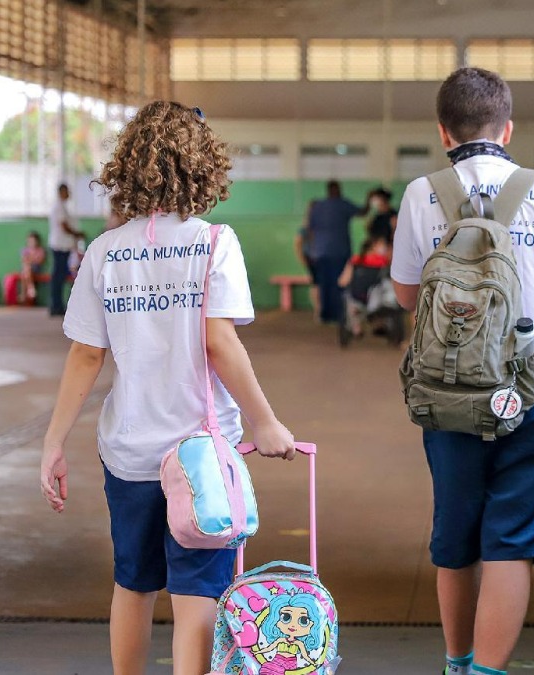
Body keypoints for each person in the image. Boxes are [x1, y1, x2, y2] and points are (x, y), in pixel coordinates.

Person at [38, 101, 297, 675]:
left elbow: (85, 354)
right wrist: (266, 421)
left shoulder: (105, 251)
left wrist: (53, 442)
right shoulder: (214, 243)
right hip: (201, 453)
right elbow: (219, 343)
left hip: (128, 451)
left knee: (132, 581)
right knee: (198, 591)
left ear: (129, 164)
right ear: (203, 165)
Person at [391, 67, 534, 675]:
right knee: (510, 544)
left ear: (443, 132)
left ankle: (456, 662)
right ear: (507, 128)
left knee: (455, 541)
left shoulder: (421, 193)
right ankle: (487, 673)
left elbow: (407, 295)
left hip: (448, 391)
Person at [306, 181, 370, 323]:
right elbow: (363, 211)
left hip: (320, 252)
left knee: (324, 285)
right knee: (340, 284)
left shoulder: (318, 207)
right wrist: (369, 198)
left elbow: (310, 229)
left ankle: (325, 315)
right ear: (337, 190)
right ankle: (339, 314)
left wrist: (312, 250)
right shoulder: (343, 204)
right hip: (339, 252)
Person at [48, 183, 84, 316]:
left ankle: (57, 305)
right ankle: (55, 306)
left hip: (63, 246)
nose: (69, 194)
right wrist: (77, 234)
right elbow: (64, 226)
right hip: (60, 246)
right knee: (58, 277)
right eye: (67, 191)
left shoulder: (63, 206)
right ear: (61, 192)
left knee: (60, 276)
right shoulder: (58, 207)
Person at [293, 201, 321, 321]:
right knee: (316, 284)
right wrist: (302, 258)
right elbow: (298, 242)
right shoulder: (307, 226)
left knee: (318, 284)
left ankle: (320, 311)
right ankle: (318, 310)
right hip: (313, 258)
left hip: (319, 258)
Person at [20, 231, 47, 304]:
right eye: (30, 241)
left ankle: (24, 293)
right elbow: (24, 260)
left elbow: (40, 261)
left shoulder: (40, 250)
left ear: (37, 241)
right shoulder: (25, 250)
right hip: (27, 269)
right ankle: (31, 288)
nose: (32, 242)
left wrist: (30, 260)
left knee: (25, 271)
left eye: (33, 241)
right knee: (26, 270)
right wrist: (32, 260)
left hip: (36, 269)